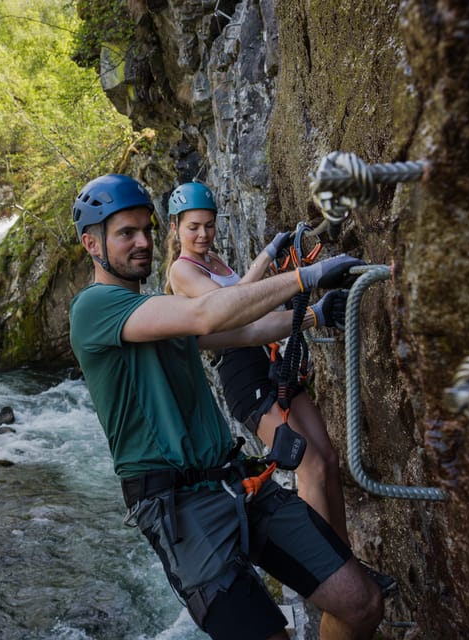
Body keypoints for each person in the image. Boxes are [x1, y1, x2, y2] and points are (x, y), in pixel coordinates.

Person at [69, 173, 383, 640]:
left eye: (146, 230)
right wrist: (307, 276)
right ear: (92, 245)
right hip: (179, 510)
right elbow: (206, 312)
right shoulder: (94, 308)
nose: (142, 242)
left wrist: (315, 311)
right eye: (125, 233)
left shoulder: (156, 311)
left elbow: (244, 331)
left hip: (236, 480)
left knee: (362, 602)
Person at [163, 181, 397, 599]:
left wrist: (270, 254)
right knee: (309, 467)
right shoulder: (182, 270)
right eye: (194, 227)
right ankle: (329, 573)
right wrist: (309, 308)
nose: (202, 235)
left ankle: (349, 563)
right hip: (242, 373)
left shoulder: (210, 258)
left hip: (269, 362)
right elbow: (232, 314)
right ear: (176, 227)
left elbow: (243, 296)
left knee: (327, 455)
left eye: (210, 226)